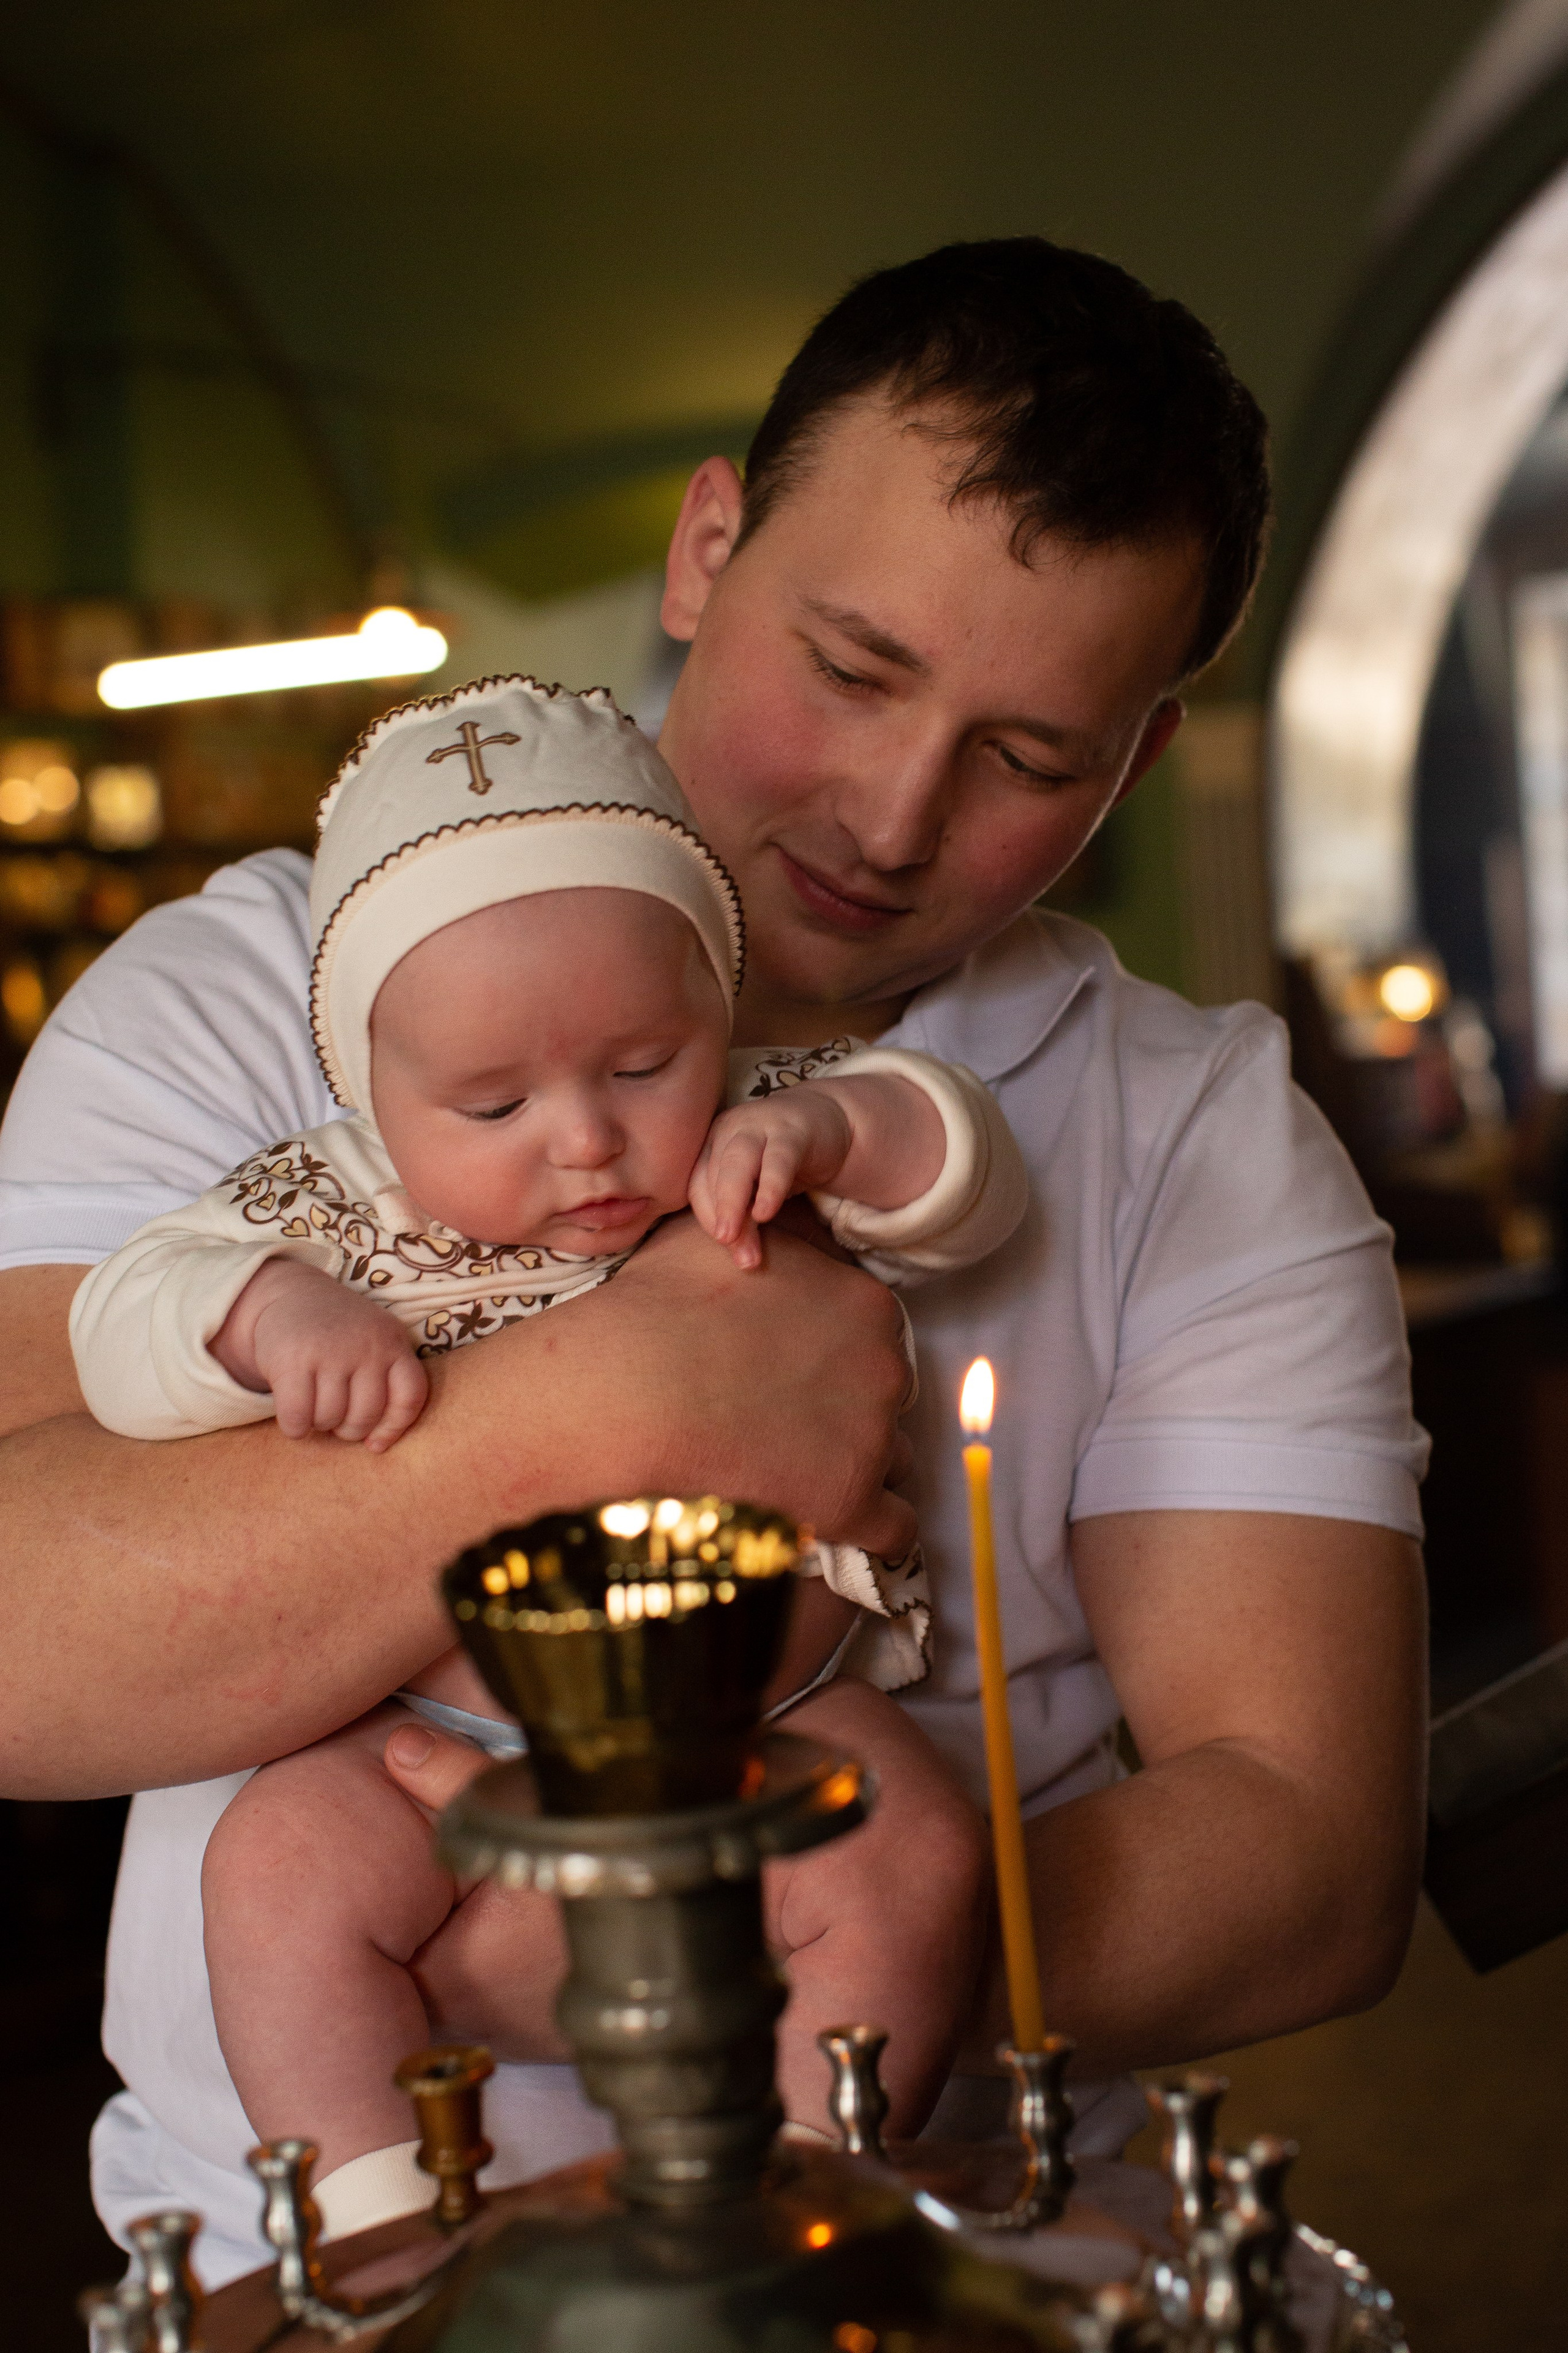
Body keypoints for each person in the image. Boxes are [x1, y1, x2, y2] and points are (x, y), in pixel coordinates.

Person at [0, 238, 1428, 2285]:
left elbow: (1308, 1857)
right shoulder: (249, 998)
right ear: (705, 550)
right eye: (850, 667)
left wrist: (625, 1956)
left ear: (1135, 763)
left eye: (1029, 757)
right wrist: (605, 1410)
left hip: (967, 2241)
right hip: (290, 2265)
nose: (891, 812)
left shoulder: (1195, 1129)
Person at [67, 674, 1027, 2230]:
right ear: (372, 1087)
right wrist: (260, 1313)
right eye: (493, 1100)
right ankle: (378, 2221)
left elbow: (965, 1161)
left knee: (913, 1850)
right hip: (429, 1752)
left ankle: (804, 2200)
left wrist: (839, 1132)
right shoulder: (330, 1205)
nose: (584, 1139)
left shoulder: (760, 1126)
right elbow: (121, 1317)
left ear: (712, 1003)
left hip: (767, 1724)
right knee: (274, 1874)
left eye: (641, 1065)